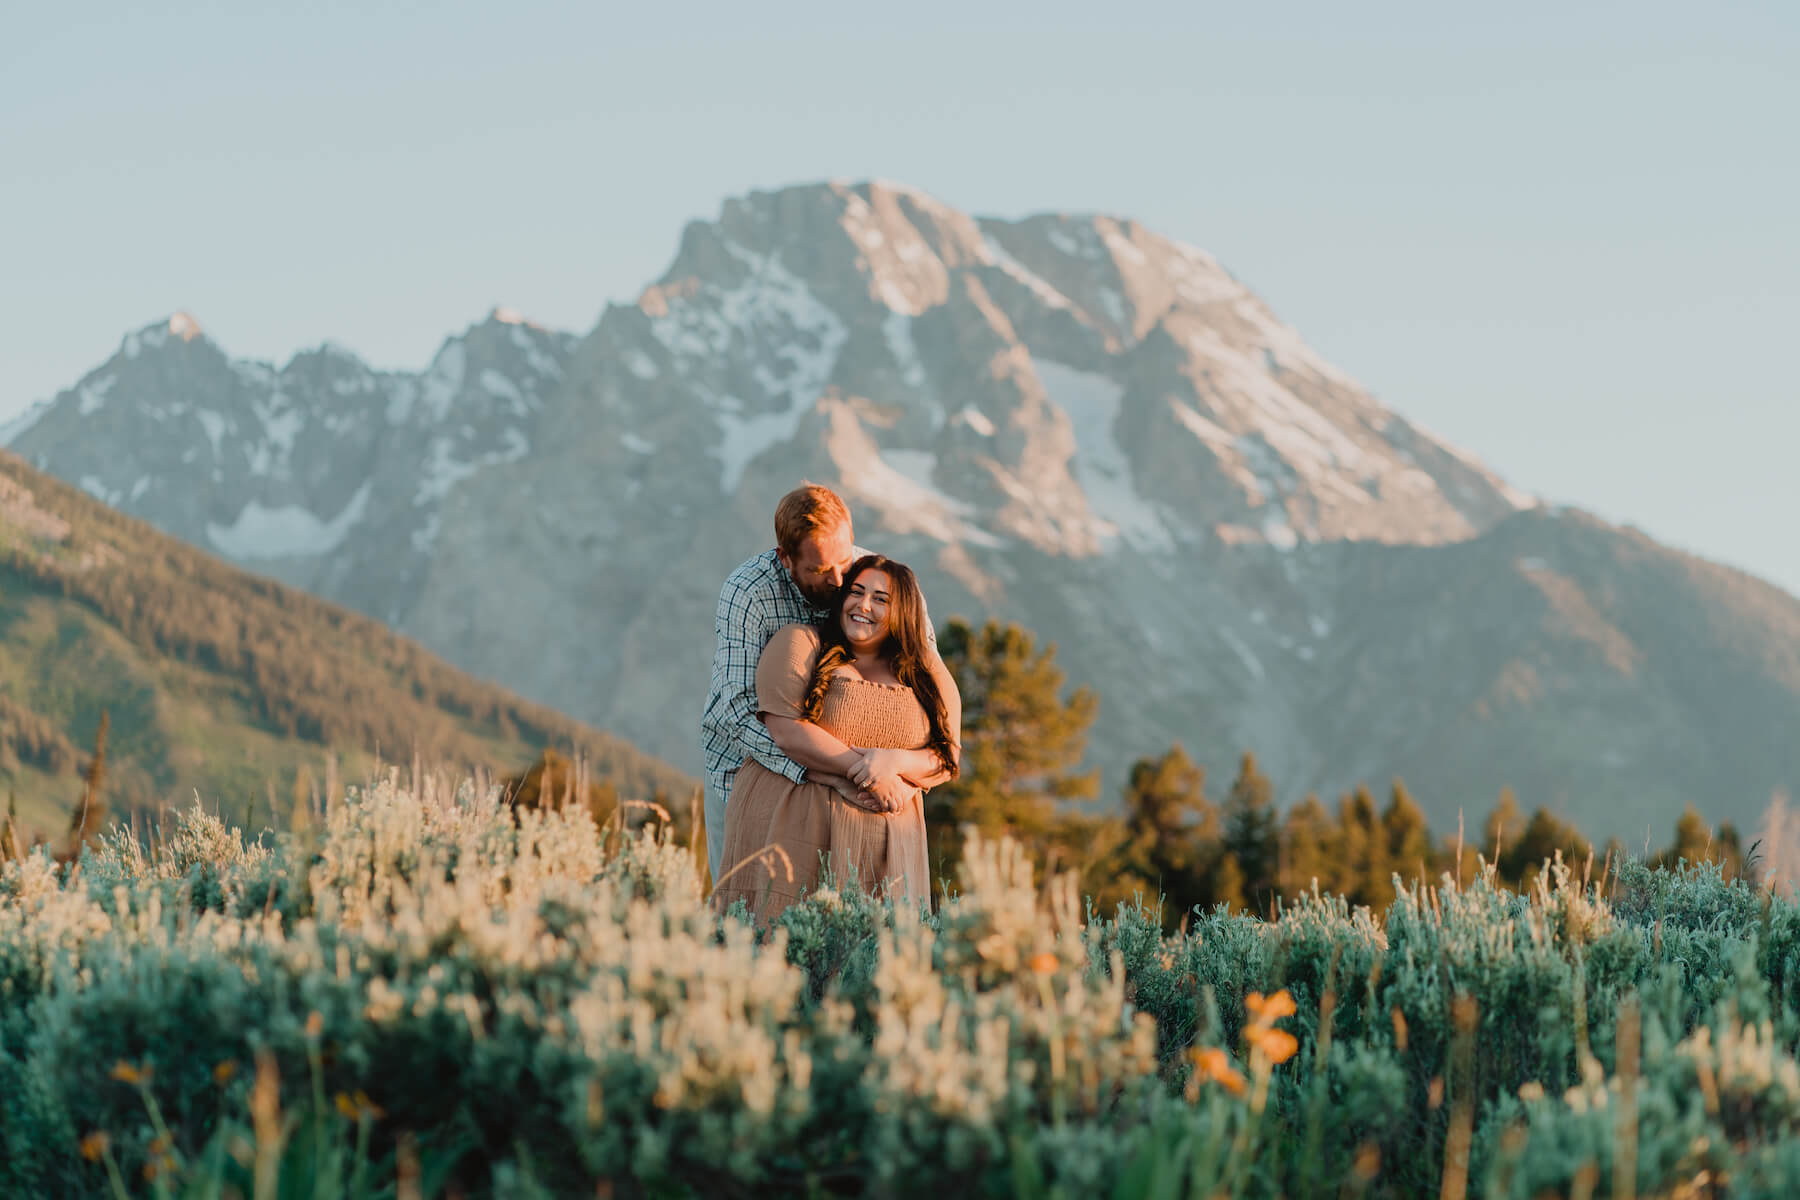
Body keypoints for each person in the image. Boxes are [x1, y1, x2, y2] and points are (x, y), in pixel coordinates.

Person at [700, 483, 937, 880]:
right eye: (820, 569)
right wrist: (845, 772)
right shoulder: (748, 592)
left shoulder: (879, 582)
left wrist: (891, 767)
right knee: (745, 915)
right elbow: (737, 714)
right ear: (786, 558)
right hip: (749, 776)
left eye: (845, 559)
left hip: (861, 797)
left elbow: (930, 682)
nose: (840, 579)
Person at [711, 554, 960, 923]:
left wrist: (895, 763)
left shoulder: (924, 670)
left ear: (903, 611)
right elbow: (786, 731)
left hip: (890, 848)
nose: (863, 605)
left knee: (872, 964)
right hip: (794, 829)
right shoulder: (801, 644)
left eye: (881, 598)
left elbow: (947, 756)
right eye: (856, 592)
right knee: (782, 945)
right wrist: (866, 771)